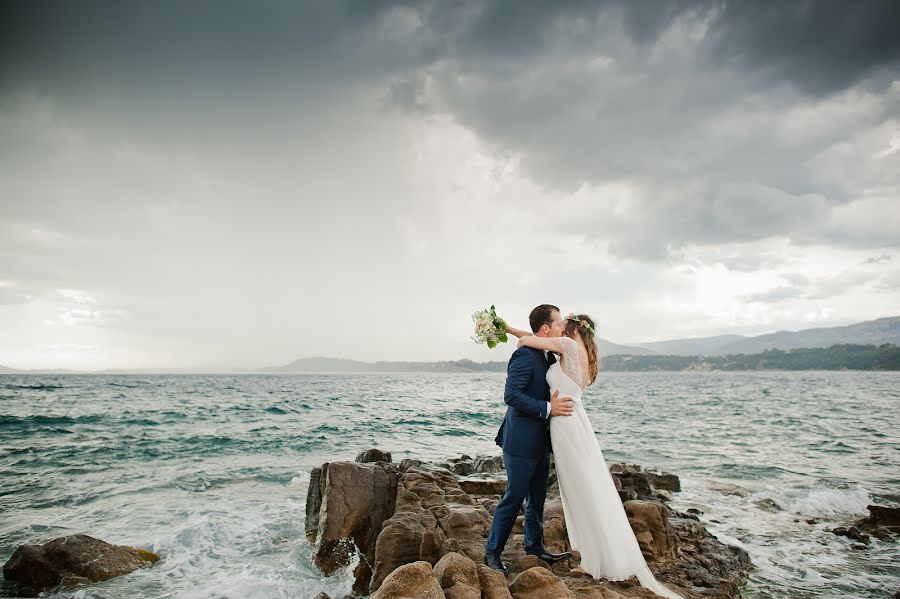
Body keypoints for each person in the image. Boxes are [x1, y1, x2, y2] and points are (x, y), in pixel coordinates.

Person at [508, 313, 686, 599]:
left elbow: (530, 340)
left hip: (565, 424)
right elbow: (539, 339)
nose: (561, 326)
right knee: (585, 489)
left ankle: (596, 561)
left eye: (565, 323)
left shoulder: (566, 346)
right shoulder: (585, 354)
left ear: (573, 328)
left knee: (580, 490)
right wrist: (505, 328)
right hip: (575, 423)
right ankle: (595, 558)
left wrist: (513, 337)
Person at [483, 304, 575, 575]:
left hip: (541, 441)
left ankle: (535, 547)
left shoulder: (546, 354)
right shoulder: (524, 356)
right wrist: (548, 409)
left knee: (538, 497)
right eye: (559, 323)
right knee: (514, 496)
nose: (563, 328)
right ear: (546, 328)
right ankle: (492, 551)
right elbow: (511, 395)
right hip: (521, 440)